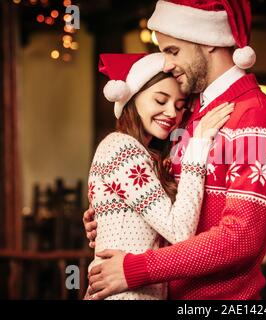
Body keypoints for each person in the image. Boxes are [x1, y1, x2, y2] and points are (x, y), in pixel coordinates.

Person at [84, 0, 266, 300]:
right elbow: (170, 204)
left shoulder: (257, 115)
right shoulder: (188, 114)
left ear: (208, 42)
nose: (165, 63)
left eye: (172, 51)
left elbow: (241, 238)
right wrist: (116, 214)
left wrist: (137, 268)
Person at [85, 52, 233, 299]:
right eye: (160, 100)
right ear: (132, 97)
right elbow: (180, 232)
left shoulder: (147, 155)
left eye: (179, 106)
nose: (171, 114)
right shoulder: (121, 147)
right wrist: (199, 144)